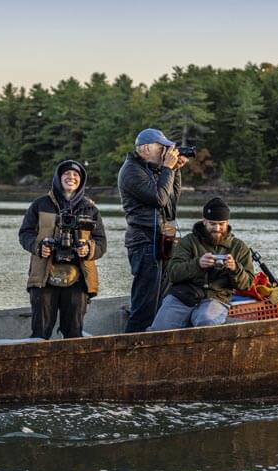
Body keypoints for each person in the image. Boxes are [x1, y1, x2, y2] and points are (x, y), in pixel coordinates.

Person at [18, 159, 107, 339]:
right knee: (40, 333)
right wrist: (39, 246)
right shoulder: (40, 204)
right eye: (66, 174)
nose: (71, 177)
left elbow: (101, 243)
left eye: (76, 175)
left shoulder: (90, 208)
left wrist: (88, 249)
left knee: (74, 333)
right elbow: (25, 233)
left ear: (81, 180)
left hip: (78, 278)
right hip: (44, 277)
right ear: (58, 178)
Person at [149, 197, 254, 330]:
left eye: (221, 224)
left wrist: (235, 268)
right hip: (183, 296)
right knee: (158, 329)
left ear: (227, 222)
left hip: (216, 298)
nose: (217, 228)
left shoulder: (239, 247)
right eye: (212, 224)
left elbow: (247, 284)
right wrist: (197, 264)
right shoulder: (188, 242)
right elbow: (173, 273)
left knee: (205, 323)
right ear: (204, 221)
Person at [117, 128, 186, 332]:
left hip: (161, 241)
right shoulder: (131, 171)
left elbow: (171, 204)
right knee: (144, 306)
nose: (166, 152)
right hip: (144, 242)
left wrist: (175, 170)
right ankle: (131, 350)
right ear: (146, 148)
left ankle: (149, 349)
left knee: (160, 303)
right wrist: (167, 168)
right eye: (162, 147)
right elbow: (158, 199)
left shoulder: (151, 169)